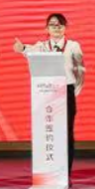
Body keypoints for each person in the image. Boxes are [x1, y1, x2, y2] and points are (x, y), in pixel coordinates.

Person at [14, 13, 84, 178]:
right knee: (49, 130)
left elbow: (80, 70)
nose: (56, 28)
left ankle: (65, 172)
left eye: (60, 25)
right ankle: (49, 168)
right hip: (46, 94)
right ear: (47, 28)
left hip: (66, 91)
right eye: (52, 25)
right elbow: (29, 51)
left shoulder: (73, 46)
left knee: (66, 132)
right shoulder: (42, 46)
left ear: (65, 28)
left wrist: (73, 92)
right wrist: (22, 48)